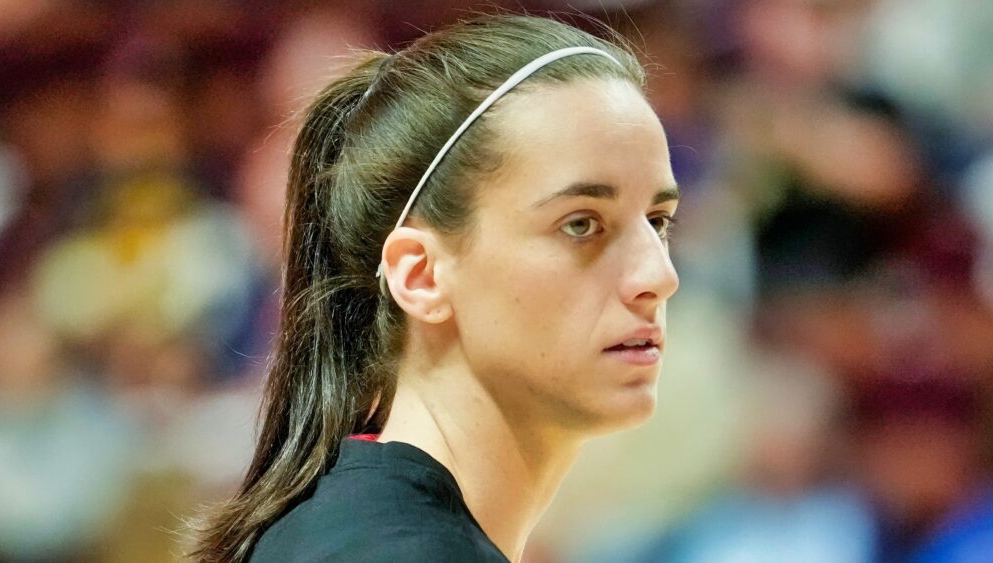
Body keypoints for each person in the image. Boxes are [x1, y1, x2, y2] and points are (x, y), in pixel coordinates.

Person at [191, 13, 680, 563]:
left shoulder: (353, 524)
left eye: (658, 221)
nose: (659, 276)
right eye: (581, 224)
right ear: (421, 274)